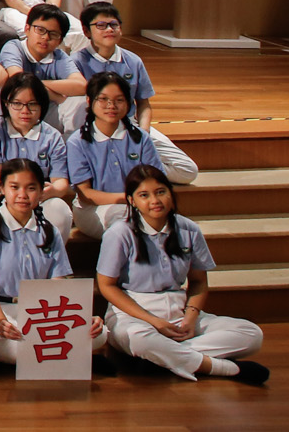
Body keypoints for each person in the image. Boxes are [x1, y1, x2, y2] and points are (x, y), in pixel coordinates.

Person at [97, 164, 267, 383]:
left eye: (161, 192)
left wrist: (190, 318)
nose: (155, 200)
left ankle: (163, 359)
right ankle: (222, 368)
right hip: (134, 315)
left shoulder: (188, 229)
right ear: (132, 201)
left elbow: (198, 282)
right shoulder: (120, 233)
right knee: (139, 340)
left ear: (171, 193)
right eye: (144, 195)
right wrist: (154, 321)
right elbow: (106, 285)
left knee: (251, 334)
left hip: (178, 310)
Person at [0, 157, 109, 371]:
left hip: (37, 313)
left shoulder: (49, 230)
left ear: (42, 191)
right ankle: (66, 356)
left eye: (31, 188)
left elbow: (57, 286)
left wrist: (81, 317)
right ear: (2, 188)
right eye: (15, 187)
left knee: (100, 334)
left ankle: (50, 354)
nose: (23, 195)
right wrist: (1, 322)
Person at [67, 2, 198, 182]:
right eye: (101, 25)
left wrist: (143, 133)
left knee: (187, 170)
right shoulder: (75, 62)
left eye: (114, 24)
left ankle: (128, 168)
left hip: (130, 125)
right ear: (86, 31)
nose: (109, 29)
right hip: (95, 128)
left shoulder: (133, 61)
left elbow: (144, 103)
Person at [69, 71, 169, 240]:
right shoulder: (77, 142)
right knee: (124, 220)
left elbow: (158, 181)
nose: (111, 105)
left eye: (119, 100)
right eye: (103, 99)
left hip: (141, 204)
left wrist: (141, 201)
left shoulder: (141, 138)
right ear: (89, 101)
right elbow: (86, 194)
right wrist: (129, 199)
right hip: (93, 209)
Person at [0, 73, 77, 240]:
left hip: (39, 196)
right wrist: (16, 194)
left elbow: (61, 182)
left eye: (32, 104)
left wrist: (51, 191)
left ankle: (50, 255)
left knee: (59, 210)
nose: (25, 111)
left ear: (42, 105)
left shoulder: (52, 136)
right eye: (17, 104)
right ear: (6, 103)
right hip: (2, 194)